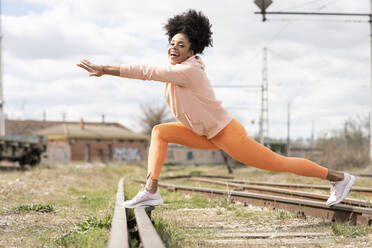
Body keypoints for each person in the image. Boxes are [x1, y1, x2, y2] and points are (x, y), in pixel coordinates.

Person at [77, 9, 355, 209]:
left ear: (192, 49)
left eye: (180, 45)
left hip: (226, 134)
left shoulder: (188, 71)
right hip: (204, 133)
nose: (173, 48)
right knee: (159, 132)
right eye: (171, 43)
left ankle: (340, 178)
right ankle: (151, 190)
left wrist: (105, 69)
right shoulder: (178, 69)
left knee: (279, 163)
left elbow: (145, 71)